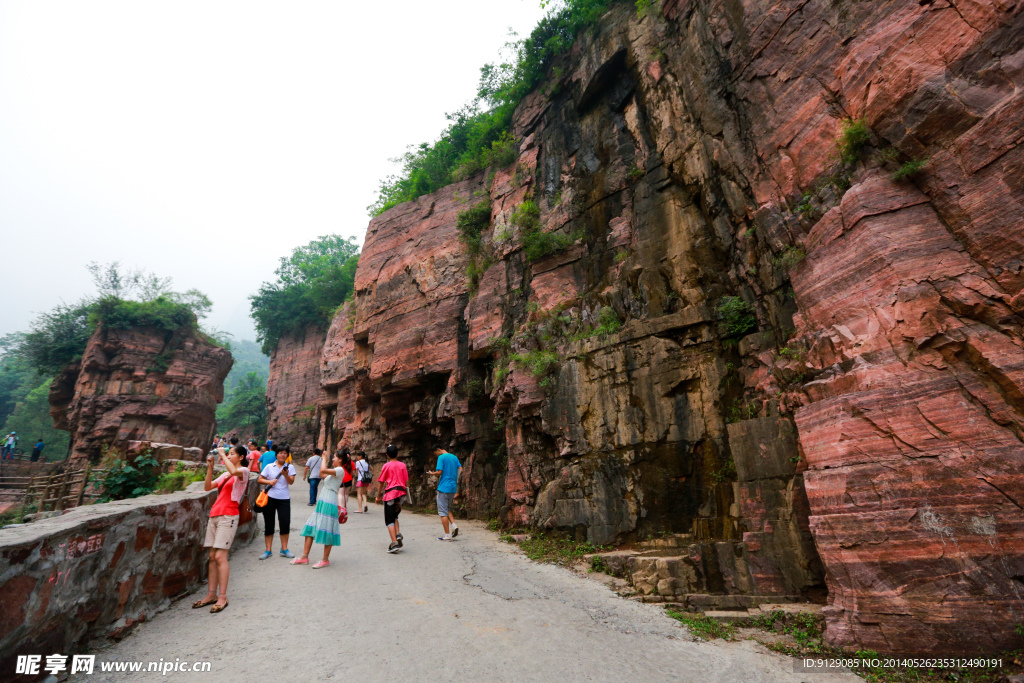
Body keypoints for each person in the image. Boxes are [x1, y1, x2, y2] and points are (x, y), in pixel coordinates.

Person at [194, 445, 248, 613]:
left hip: (229, 516)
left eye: (232, 454)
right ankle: (211, 594)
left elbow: (234, 472)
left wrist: (223, 455)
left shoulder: (243, 471)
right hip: (215, 515)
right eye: (228, 453)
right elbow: (208, 487)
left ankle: (222, 596)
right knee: (211, 556)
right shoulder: (225, 474)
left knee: (220, 556)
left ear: (241, 457)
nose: (229, 456)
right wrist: (210, 468)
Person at [292, 450, 346, 568]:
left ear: (340, 459)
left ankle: (325, 559)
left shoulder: (340, 470)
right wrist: (323, 460)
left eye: (335, 457)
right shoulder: (334, 471)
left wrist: (324, 459)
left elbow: (322, 471)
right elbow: (321, 475)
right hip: (323, 501)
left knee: (328, 529)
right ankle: (304, 557)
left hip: (329, 501)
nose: (333, 459)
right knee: (309, 528)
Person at [257, 449, 296, 559]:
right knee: (269, 524)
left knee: (285, 523)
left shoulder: (290, 467)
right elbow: (260, 479)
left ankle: (284, 549)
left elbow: (291, 482)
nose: (282, 455)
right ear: (276, 455)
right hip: (270, 498)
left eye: (285, 453)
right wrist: (269, 482)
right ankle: (268, 550)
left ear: (287, 455)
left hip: (284, 498)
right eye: (280, 453)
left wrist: (286, 475)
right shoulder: (269, 466)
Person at [375, 444, 408, 554]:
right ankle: (397, 533)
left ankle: (394, 543)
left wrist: (378, 496)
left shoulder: (386, 466)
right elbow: (406, 482)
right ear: (398, 454)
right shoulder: (403, 465)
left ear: (387, 455)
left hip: (390, 494)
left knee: (389, 520)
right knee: (395, 515)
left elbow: (381, 482)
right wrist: (405, 498)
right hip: (401, 494)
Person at [430, 444, 462, 541]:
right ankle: (454, 525)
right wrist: (454, 478)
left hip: (444, 487)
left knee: (442, 511)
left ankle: (447, 535)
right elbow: (461, 469)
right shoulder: (454, 457)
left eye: (436, 453)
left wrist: (432, 473)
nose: (436, 455)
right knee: (447, 508)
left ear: (438, 450)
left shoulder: (441, 457)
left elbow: (439, 472)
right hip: (452, 487)